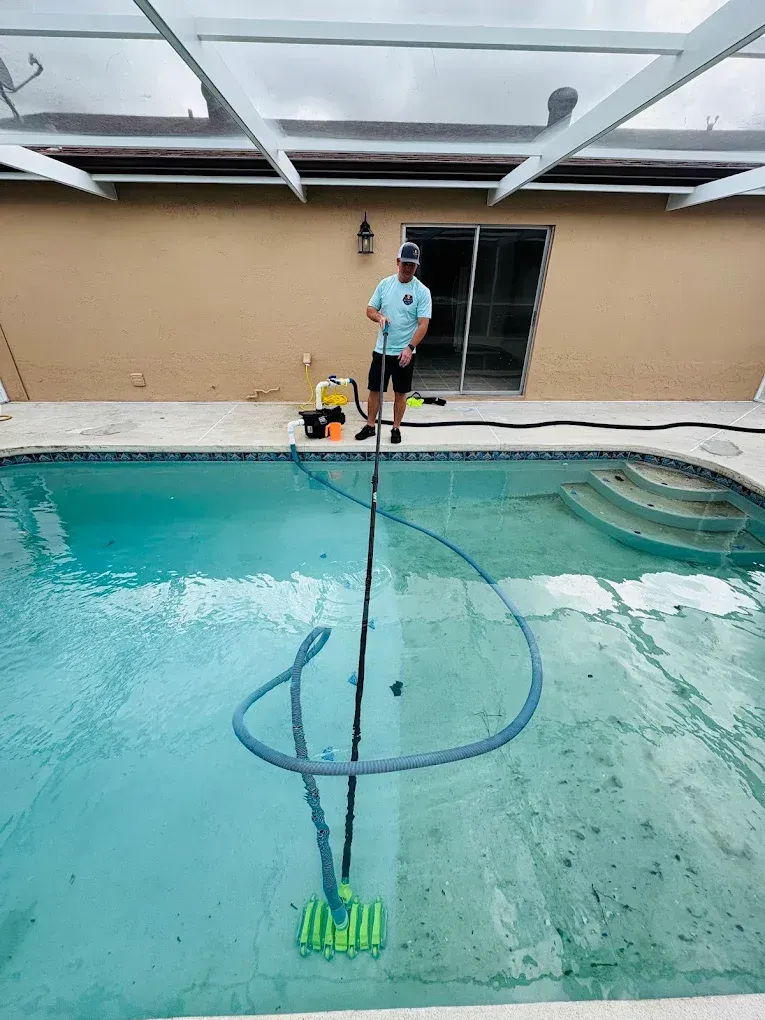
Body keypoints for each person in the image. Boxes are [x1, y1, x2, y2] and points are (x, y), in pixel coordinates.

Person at [356, 241, 432, 445]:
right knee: (375, 390)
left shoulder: (422, 291)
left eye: (412, 264)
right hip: (381, 350)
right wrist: (379, 317)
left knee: (401, 392)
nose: (408, 268)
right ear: (398, 262)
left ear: (417, 266)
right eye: (405, 263)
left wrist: (410, 348)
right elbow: (369, 309)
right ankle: (371, 425)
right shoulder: (385, 285)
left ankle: (396, 427)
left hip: (404, 353)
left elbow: (423, 324)